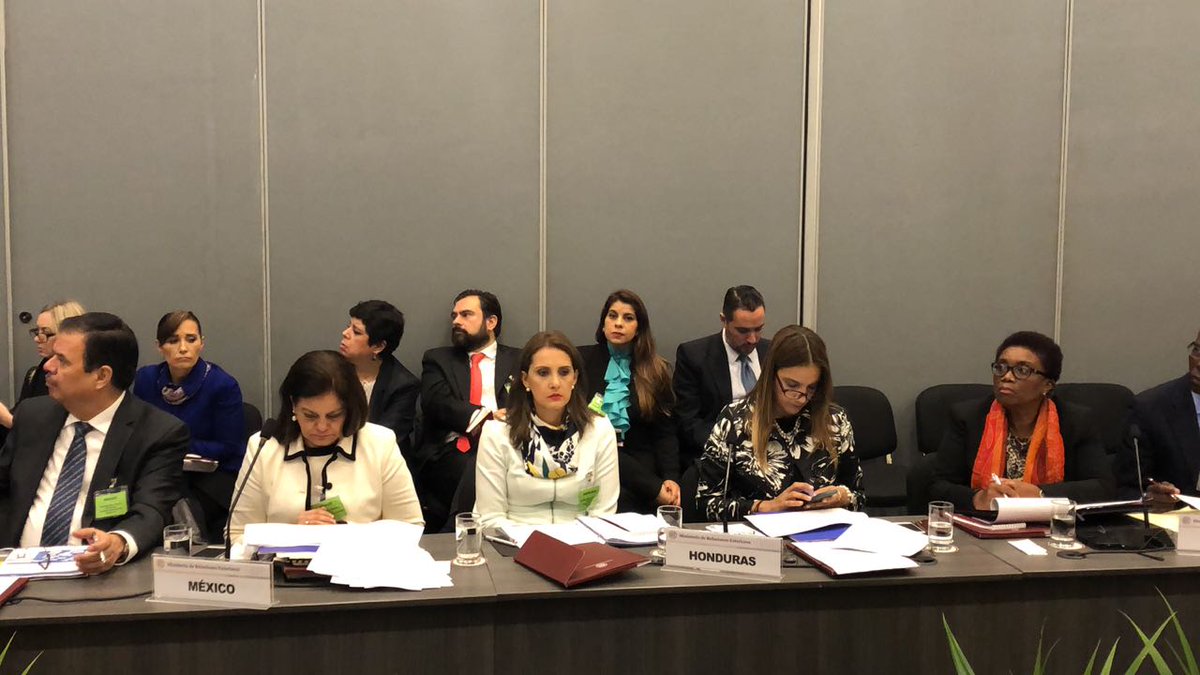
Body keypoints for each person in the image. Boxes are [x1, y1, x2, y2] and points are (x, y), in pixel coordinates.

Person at [0, 313, 189, 574]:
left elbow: (151, 509)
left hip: (98, 578)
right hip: (14, 572)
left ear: (101, 376)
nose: (48, 366)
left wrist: (119, 542)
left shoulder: (157, 433)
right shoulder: (32, 415)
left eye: (62, 360)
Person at [228, 351, 422, 544]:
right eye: (310, 415)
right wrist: (293, 534)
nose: (321, 427)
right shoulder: (263, 447)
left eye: (334, 416)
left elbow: (411, 528)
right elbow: (235, 535)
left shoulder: (380, 443)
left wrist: (342, 533)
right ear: (293, 405)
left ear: (349, 409)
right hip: (281, 564)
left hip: (358, 562)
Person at [928, 331, 1113, 511]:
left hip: (1051, 525)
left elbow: (1103, 488)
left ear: (1047, 385)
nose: (1006, 377)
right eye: (1001, 367)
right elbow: (937, 487)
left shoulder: (1076, 421)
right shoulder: (967, 417)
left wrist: (1040, 494)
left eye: (1022, 370)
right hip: (985, 522)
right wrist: (978, 498)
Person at [696, 325, 862, 521]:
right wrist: (766, 507)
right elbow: (706, 504)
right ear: (771, 375)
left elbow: (859, 496)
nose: (801, 397)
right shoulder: (735, 421)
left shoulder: (834, 420)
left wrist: (843, 497)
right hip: (756, 536)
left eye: (811, 387)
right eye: (792, 385)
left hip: (822, 533)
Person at [475, 331, 619, 528]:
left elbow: (603, 513)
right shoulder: (497, 432)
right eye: (543, 373)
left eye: (564, 372)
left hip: (582, 539)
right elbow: (491, 518)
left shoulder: (599, 429)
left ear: (575, 378)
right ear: (525, 379)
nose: (555, 383)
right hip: (515, 540)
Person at [132, 311, 245, 542]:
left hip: (211, 477)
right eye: (173, 341)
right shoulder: (146, 379)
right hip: (161, 470)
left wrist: (176, 446)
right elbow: (138, 434)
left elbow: (230, 447)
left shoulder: (222, 385)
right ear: (159, 347)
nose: (183, 348)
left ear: (202, 343)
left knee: (171, 499)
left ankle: (188, 542)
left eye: (191, 339)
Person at [417, 289, 520, 531]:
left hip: (507, 448)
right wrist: (487, 418)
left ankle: (454, 532)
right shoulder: (438, 359)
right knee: (475, 464)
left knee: (487, 461)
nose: (456, 321)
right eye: (454, 316)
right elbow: (436, 402)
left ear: (491, 322)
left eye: (466, 315)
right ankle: (460, 533)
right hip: (452, 451)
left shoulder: (520, 359)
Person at [578, 290, 679, 513]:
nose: (618, 324)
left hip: (642, 470)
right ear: (603, 323)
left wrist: (670, 478)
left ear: (639, 328)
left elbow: (665, 433)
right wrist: (654, 488)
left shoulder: (655, 370)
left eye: (628, 318)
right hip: (592, 464)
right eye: (612, 316)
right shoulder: (580, 361)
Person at [673, 285, 771, 470]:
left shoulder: (773, 353)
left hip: (769, 454)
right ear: (724, 320)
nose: (752, 339)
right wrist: (736, 450)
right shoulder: (694, 356)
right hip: (718, 457)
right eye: (743, 331)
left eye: (758, 329)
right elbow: (688, 423)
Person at [1118, 330, 1200, 504]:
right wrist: (1150, 497)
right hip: (1178, 517)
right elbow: (1126, 489)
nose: (1198, 363)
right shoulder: (1150, 408)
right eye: (1197, 351)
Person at [339, 300, 420, 451]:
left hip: (380, 457)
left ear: (378, 346)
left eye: (356, 332)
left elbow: (387, 438)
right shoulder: (333, 369)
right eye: (348, 326)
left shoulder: (403, 385)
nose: (345, 333)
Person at [0, 300, 86, 429]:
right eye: (37, 332)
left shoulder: (76, 380)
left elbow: (54, 431)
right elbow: (22, 415)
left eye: (45, 333)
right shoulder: (36, 373)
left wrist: (8, 420)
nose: (37, 339)